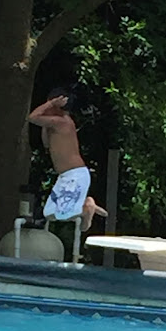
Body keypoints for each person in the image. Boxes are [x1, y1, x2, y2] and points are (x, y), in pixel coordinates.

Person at [28, 87, 107, 232]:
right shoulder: (54, 125)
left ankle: (86, 207)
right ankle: (85, 206)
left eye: (49, 105)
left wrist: (51, 104)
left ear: (57, 105)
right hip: (65, 176)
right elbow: (46, 144)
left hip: (74, 176)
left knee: (62, 213)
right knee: (49, 213)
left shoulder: (63, 122)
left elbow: (32, 117)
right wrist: (45, 124)